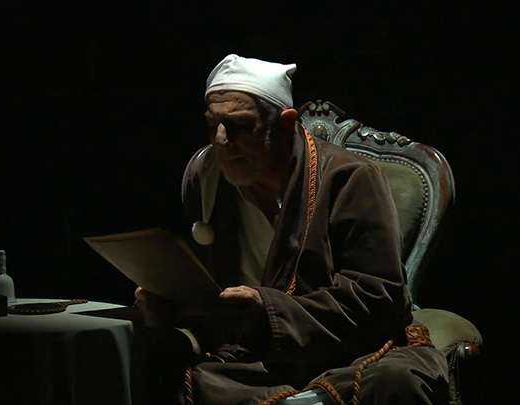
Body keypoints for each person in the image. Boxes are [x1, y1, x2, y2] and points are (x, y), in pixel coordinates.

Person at [134, 54, 449, 404]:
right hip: (243, 354)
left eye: (240, 126)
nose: (221, 140)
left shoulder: (349, 179)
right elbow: (206, 290)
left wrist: (268, 309)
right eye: (213, 125)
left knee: (395, 380)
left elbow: (380, 299)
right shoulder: (206, 177)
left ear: (285, 124)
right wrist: (167, 303)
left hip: (341, 350)